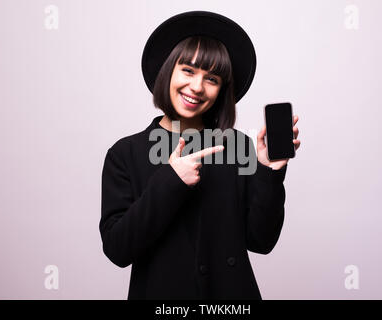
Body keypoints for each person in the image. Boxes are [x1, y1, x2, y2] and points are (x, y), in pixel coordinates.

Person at [99, 11, 301, 300]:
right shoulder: (125, 153)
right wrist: (170, 180)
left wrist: (268, 172)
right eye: (188, 70)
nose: (196, 87)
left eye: (212, 78)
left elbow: (262, 240)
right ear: (168, 71)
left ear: (221, 91)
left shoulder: (236, 146)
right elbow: (118, 249)